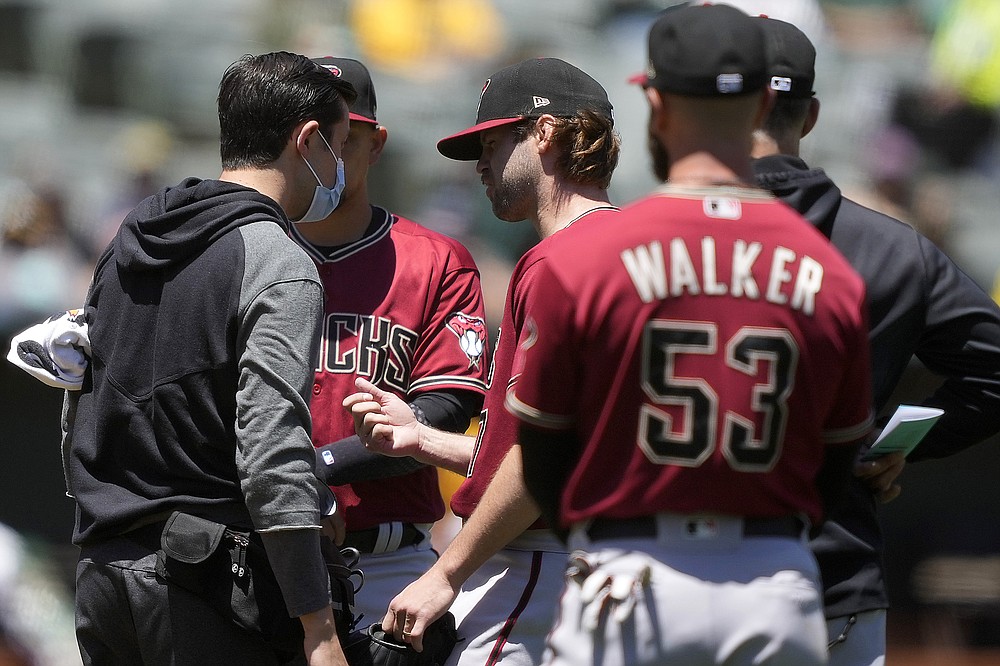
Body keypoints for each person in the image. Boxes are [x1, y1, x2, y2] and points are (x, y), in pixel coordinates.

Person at [506, 5, 876, 665]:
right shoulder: (831, 271)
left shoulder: (582, 259)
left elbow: (542, 453)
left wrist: (598, 535)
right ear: (767, 101)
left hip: (629, 570)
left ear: (654, 101)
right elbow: (837, 463)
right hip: (775, 579)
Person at [63, 51, 357, 666]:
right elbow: (272, 450)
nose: (340, 169)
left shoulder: (127, 242)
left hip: (103, 570)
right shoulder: (276, 260)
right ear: (306, 141)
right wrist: (319, 625)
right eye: (339, 146)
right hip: (205, 588)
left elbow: (78, 401)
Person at [344, 57, 620, 663]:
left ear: (544, 134)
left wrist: (447, 573)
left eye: (493, 143)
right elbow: (555, 450)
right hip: (618, 560)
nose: (480, 166)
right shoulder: (639, 253)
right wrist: (420, 439)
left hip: (535, 561)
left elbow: (539, 464)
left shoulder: (555, 264)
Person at [751, 16, 1000, 665]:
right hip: (833, 583)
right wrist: (890, 445)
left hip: (674, 577)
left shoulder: (643, 243)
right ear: (808, 116)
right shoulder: (891, 246)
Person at [300, 56, 489, 626]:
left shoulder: (433, 260)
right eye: (312, 138)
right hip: (248, 548)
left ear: (375, 143)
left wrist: (314, 469)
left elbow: (444, 410)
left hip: (382, 569)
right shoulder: (231, 256)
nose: (324, 156)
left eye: (344, 137)